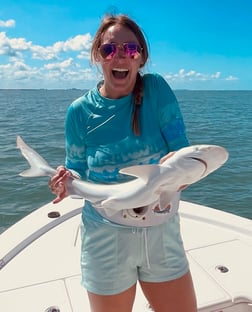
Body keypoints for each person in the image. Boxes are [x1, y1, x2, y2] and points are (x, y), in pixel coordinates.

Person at [49, 14, 197, 312]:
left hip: (162, 233)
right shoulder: (79, 111)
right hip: (106, 237)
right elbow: (76, 170)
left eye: (130, 49)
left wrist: (181, 171)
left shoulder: (157, 90)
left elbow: (183, 153)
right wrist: (65, 181)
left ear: (140, 58)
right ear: (97, 56)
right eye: (109, 49)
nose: (120, 56)